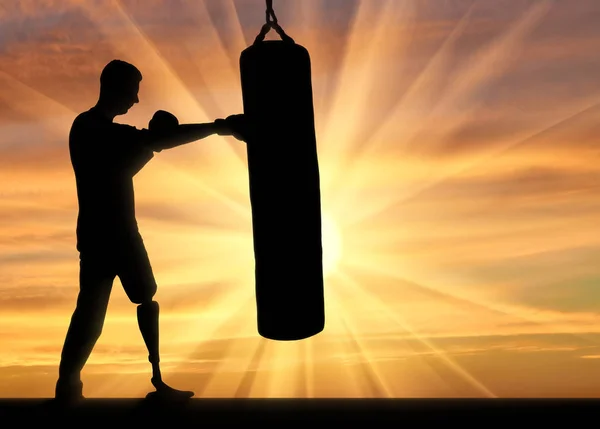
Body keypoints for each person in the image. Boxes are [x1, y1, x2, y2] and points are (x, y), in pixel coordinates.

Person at [55, 59, 247, 401]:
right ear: (115, 88)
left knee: (112, 306)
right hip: (113, 234)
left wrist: (205, 129)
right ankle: (74, 384)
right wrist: (218, 127)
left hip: (106, 232)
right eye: (133, 91)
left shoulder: (97, 131)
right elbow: (149, 145)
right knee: (106, 309)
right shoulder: (92, 128)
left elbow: (146, 149)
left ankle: (80, 384)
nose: (136, 100)